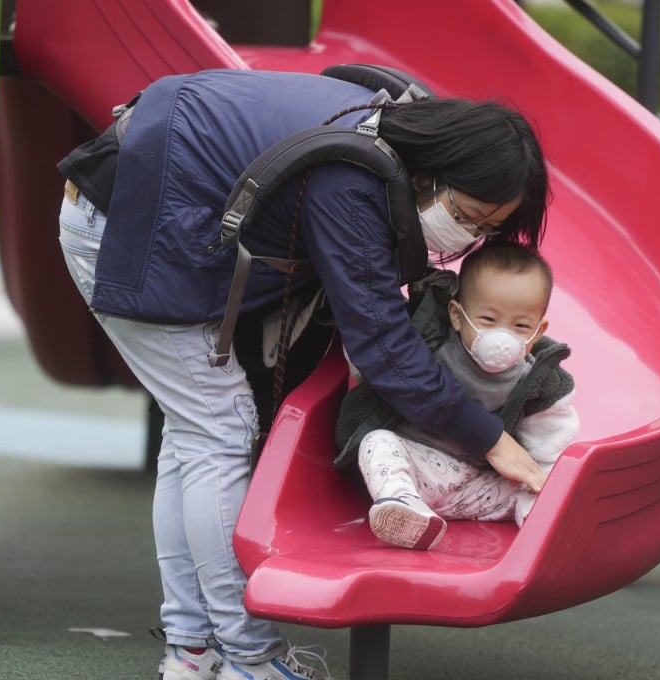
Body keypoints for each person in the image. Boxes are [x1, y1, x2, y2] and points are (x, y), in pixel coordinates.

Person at [56, 67, 548, 680]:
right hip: (126, 222)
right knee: (220, 432)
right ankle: (248, 659)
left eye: (488, 229)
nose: (471, 237)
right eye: (470, 217)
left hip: (142, 194)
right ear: (434, 175)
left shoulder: (388, 126)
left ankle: (192, 650)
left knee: (194, 438)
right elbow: (385, 348)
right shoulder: (352, 180)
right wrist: (492, 440)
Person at [336, 241, 579, 549]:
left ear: (538, 331)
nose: (502, 337)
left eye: (520, 326)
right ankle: (405, 506)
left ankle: (539, 524)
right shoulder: (428, 344)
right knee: (378, 443)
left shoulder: (537, 380)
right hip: (416, 465)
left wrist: (541, 482)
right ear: (456, 315)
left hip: (476, 486)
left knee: (532, 484)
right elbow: (376, 365)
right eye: (488, 320)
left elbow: (550, 441)